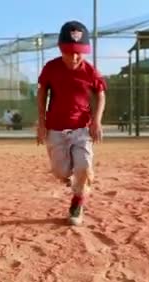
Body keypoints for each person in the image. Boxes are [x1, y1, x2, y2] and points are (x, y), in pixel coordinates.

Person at [36, 20, 107, 225]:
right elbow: (41, 94)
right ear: (61, 49)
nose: (74, 57)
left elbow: (101, 95)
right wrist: (41, 122)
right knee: (61, 172)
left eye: (79, 52)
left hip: (81, 128)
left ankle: (78, 201)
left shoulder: (89, 70)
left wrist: (97, 120)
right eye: (69, 52)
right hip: (55, 128)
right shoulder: (51, 68)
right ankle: (71, 178)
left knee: (83, 167)